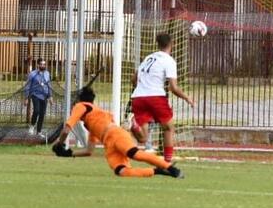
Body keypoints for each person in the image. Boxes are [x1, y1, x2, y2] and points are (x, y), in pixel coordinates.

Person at [51, 86, 182, 179]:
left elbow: (66, 129)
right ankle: (157, 171)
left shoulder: (80, 106)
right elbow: (89, 151)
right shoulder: (92, 120)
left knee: (135, 154)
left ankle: (170, 167)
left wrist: (59, 143)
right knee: (121, 171)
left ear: (80, 100)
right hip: (109, 143)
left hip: (116, 134)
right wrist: (70, 154)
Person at [130, 32, 196, 164]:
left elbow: (134, 79)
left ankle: (134, 125)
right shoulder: (169, 60)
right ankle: (167, 162)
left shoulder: (148, 58)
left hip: (138, 97)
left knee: (143, 139)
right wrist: (187, 98)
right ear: (172, 44)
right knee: (169, 128)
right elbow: (173, 88)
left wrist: (143, 88)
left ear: (158, 44)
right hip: (155, 97)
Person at [23, 58, 53, 137]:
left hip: (45, 96)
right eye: (41, 64)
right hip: (35, 95)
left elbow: (49, 85)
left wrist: (50, 96)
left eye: (44, 64)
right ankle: (32, 126)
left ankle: (39, 131)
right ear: (38, 65)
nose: (43, 66)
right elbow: (27, 86)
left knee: (42, 114)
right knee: (36, 110)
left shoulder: (47, 73)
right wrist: (26, 98)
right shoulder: (33, 74)